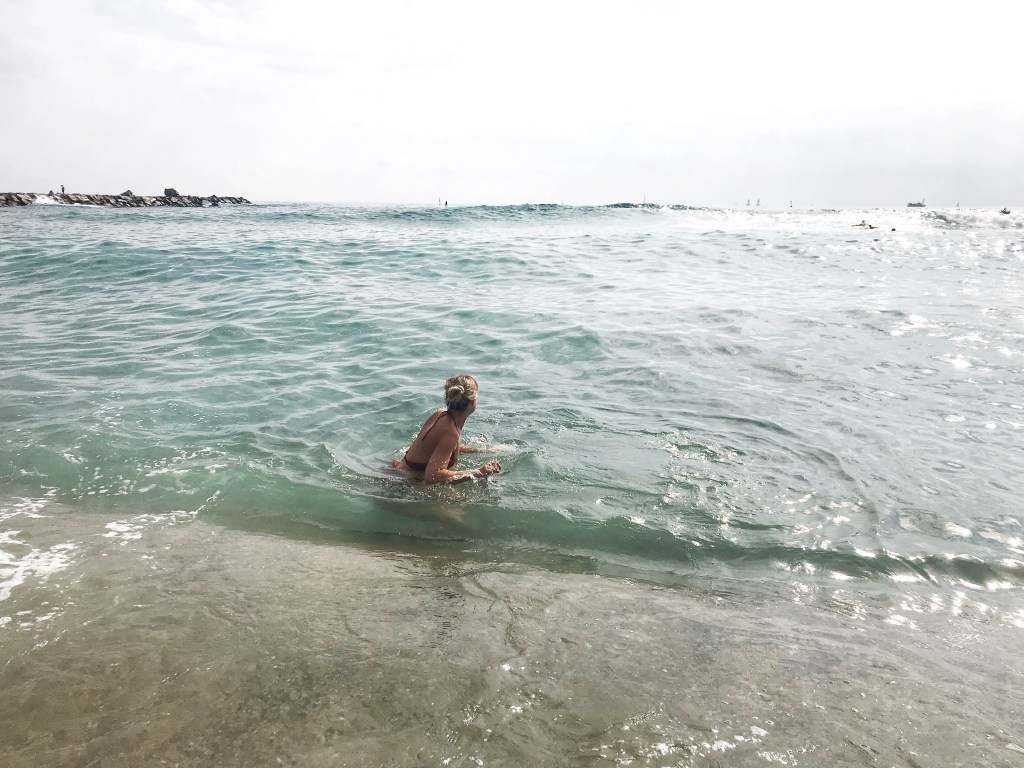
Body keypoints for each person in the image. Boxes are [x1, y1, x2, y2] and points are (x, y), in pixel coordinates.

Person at [391, 375, 501, 484]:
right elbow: (432, 476)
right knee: (464, 501)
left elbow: (442, 448)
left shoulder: (440, 414)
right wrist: (478, 472)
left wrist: (483, 451)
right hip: (405, 483)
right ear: (473, 402)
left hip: (398, 473)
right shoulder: (451, 433)